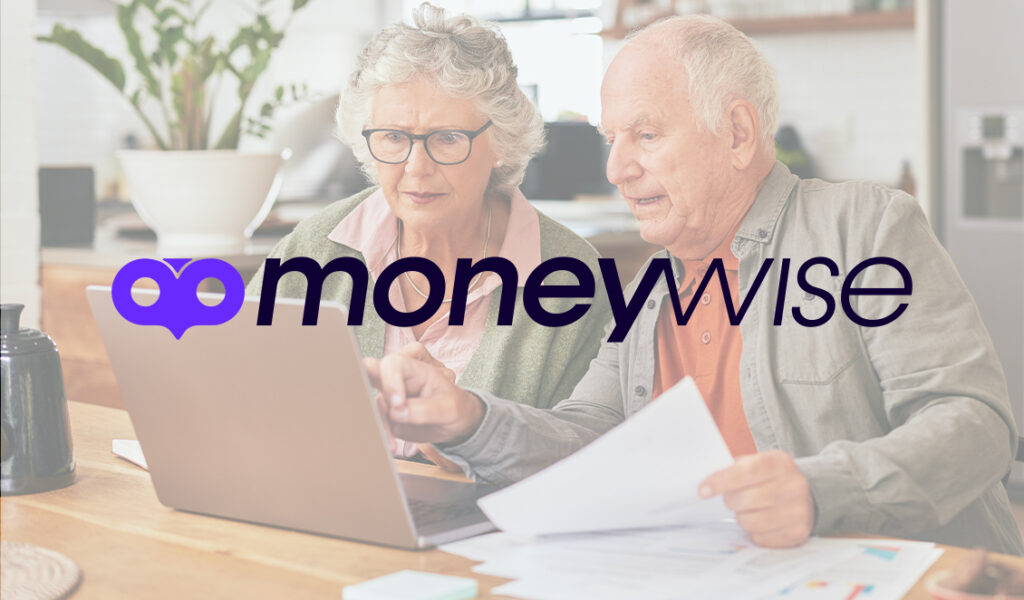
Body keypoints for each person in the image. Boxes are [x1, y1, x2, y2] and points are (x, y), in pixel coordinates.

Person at [366, 14, 1024, 554]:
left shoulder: (864, 228)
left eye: (645, 135)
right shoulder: (652, 289)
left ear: (737, 133)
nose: (617, 167)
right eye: (611, 139)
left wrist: (822, 489)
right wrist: (466, 419)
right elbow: (588, 439)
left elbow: (975, 425)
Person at [248, 3, 611, 463]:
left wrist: (458, 431)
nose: (416, 169)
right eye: (394, 138)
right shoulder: (313, 250)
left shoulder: (571, 281)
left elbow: (577, 457)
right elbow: (243, 395)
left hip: (485, 529)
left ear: (500, 142)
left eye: (447, 139)